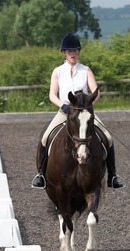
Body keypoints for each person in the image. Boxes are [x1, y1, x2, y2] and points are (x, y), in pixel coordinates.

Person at [32, 32, 123, 190]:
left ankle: (113, 176)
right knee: (45, 137)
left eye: (75, 51)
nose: (72, 53)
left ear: (78, 52)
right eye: (69, 51)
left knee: (108, 137)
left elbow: (96, 91)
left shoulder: (86, 70)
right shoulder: (58, 71)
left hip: (84, 113)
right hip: (65, 112)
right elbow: (52, 95)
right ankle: (41, 174)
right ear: (64, 53)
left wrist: (89, 104)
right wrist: (63, 106)